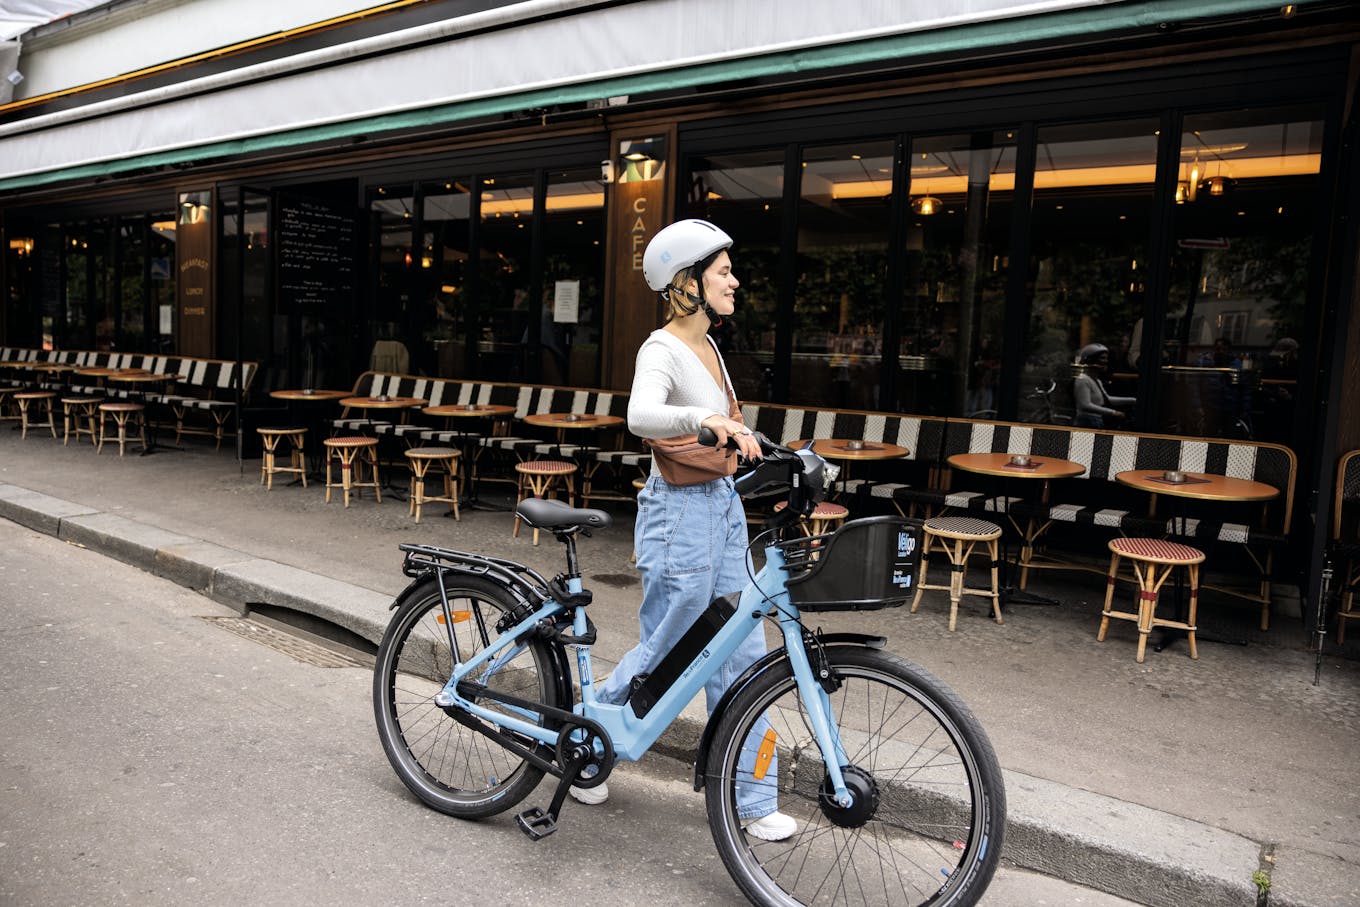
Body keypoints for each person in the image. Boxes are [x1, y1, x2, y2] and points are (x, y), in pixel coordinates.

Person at [569, 218, 796, 842]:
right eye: (722, 271)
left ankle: (751, 800)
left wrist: (750, 440)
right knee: (672, 645)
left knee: (742, 646)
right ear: (685, 283)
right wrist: (704, 416)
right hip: (678, 513)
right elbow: (640, 415)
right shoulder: (661, 347)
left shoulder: (711, 347)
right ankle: (588, 743)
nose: (734, 280)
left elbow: (721, 425)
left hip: (719, 504)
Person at [1072, 342, 1135, 429]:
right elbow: (1084, 405)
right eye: (1102, 358)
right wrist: (1112, 412)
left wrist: (1133, 400)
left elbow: (1106, 399)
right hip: (1086, 422)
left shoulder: (1096, 380)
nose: (1106, 361)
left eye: (1106, 358)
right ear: (1091, 359)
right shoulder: (1083, 380)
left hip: (1096, 420)